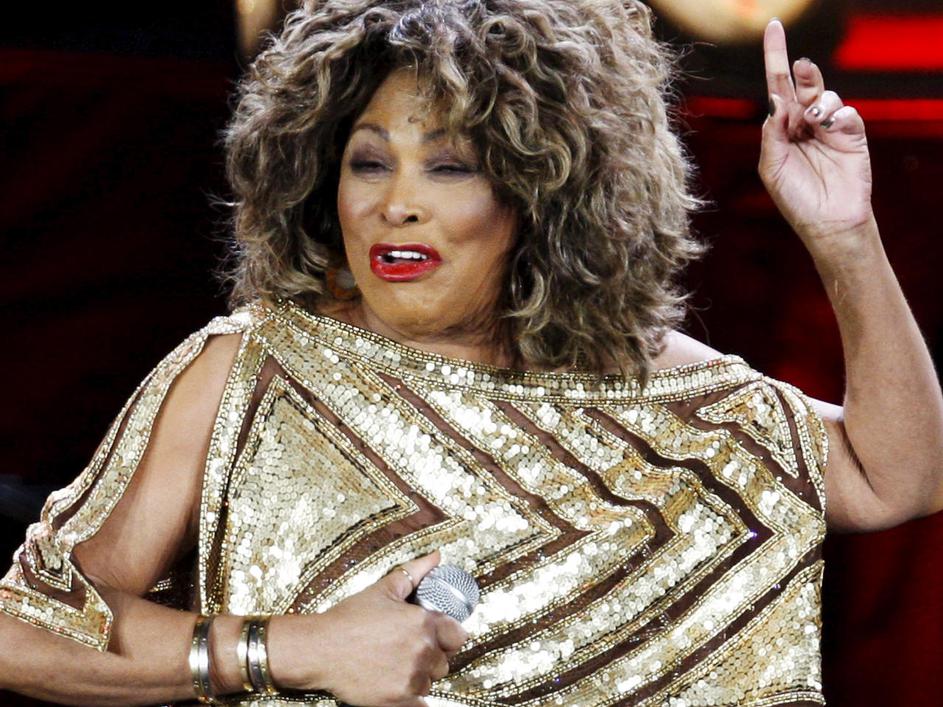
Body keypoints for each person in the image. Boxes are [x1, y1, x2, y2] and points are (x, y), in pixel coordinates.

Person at [1, 1, 941, 705]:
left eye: (448, 166)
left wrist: (844, 237)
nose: (393, 203)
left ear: (544, 192)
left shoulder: (654, 390)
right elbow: (26, 629)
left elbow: (897, 475)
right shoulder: (254, 366)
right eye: (369, 161)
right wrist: (286, 647)